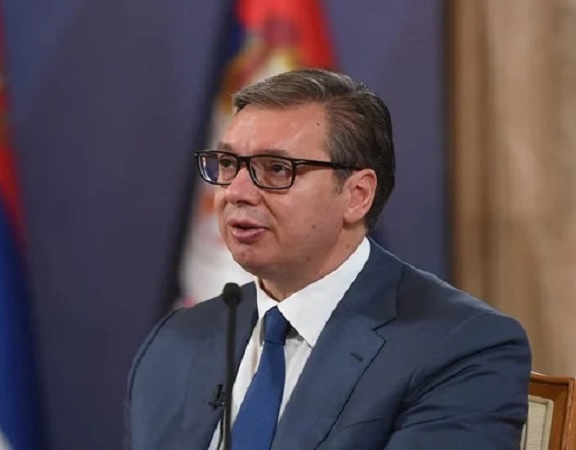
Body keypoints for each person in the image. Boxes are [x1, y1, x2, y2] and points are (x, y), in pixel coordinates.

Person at [125, 68, 531, 450]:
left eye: (276, 169)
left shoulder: (461, 346)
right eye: (229, 164)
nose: (235, 192)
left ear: (357, 196)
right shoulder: (177, 340)